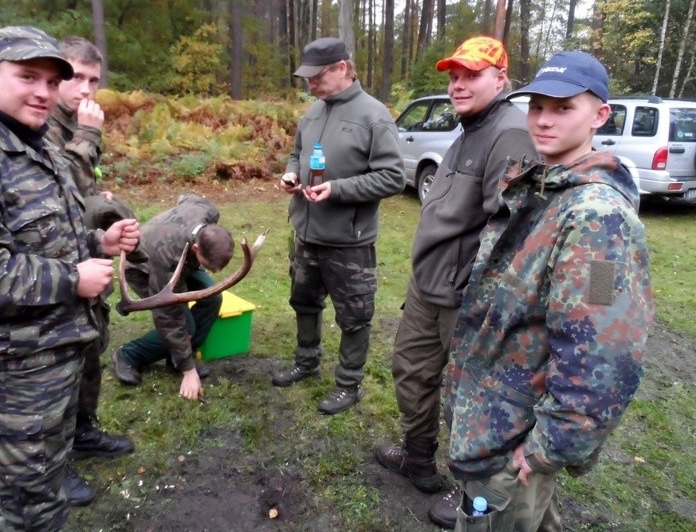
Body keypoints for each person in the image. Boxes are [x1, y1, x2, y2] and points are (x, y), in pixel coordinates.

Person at [0, 26, 140, 530]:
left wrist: (97, 245)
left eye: (50, 80)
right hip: (16, 373)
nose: (43, 92)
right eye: (28, 78)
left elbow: (49, 238)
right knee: (29, 510)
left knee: (39, 495)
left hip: (59, 354)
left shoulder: (41, 150)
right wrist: (71, 278)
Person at [443, 51, 654, 531]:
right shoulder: (545, 188)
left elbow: (603, 352)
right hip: (496, 421)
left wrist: (546, 449)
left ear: (600, 114)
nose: (543, 120)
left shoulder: (596, 219)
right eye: (537, 107)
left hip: (516, 441)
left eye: (563, 108)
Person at [373, 36, 537, 526]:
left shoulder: (510, 133)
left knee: (473, 403)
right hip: (429, 286)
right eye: (454, 76)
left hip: (464, 300)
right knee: (412, 372)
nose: (458, 84)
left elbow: (509, 229)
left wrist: (472, 294)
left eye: (471, 75)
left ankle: (472, 497)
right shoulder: (471, 127)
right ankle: (418, 459)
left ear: (500, 78)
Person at [272, 37, 406, 416]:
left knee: (354, 314)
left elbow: (393, 177)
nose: (310, 84)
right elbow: (298, 152)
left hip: (349, 240)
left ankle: (349, 382)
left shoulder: (374, 115)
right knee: (304, 301)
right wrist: (291, 173)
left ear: (342, 69)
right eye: (307, 78)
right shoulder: (313, 112)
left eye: (316, 76)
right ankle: (306, 361)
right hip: (306, 232)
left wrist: (338, 189)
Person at [45, 36, 135, 462]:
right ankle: (55, 456)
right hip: (52, 266)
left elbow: (77, 189)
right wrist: (88, 135)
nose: (85, 89)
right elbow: (54, 187)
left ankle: (83, 433)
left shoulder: (71, 124)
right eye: (75, 76)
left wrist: (98, 197)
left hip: (84, 250)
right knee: (59, 363)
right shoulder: (41, 123)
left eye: (93, 80)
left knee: (90, 348)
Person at [111, 194, 234, 400]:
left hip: (184, 262)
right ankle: (129, 355)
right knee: (184, 325)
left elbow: (185, 198)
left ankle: (176, 358)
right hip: (147, 268)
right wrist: (189, 370)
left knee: (212, 296)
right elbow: (168, 317)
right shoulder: (167, 256)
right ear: (196, 248)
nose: (213, 271)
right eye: (208, 266)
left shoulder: (209, 211)